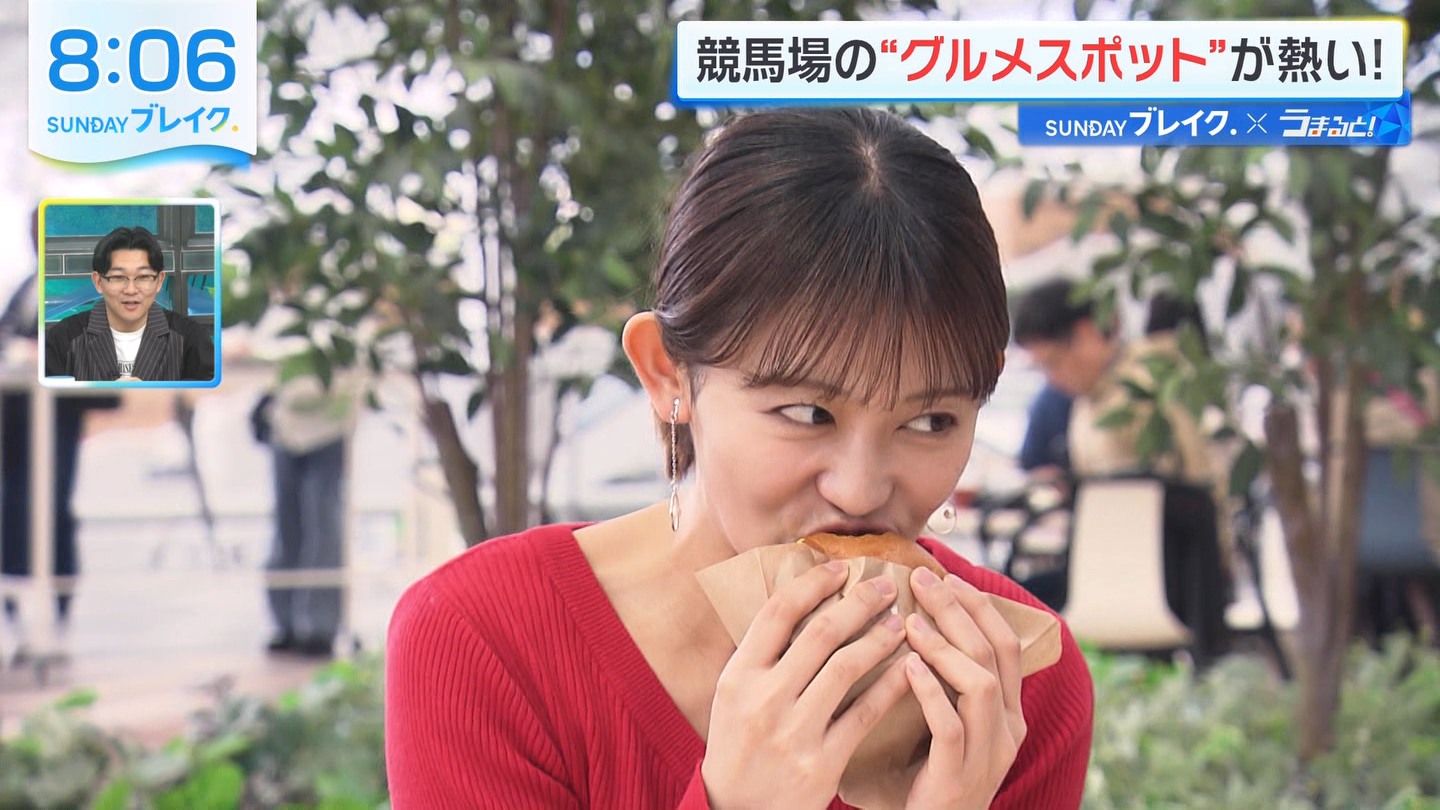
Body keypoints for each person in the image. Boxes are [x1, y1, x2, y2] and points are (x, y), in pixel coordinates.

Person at [385, 108, 1093, 809]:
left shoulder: (1017, 684)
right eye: (808, 414)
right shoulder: (483, 642)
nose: (859, 490)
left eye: (930, 421)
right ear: (667, 374)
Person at [1, 212, 120, 659]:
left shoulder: (83, 289)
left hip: (56, 419)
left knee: (51, 510)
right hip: (15, 421)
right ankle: (18, 614)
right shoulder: (25, 285)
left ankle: (56, 614)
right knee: (14, 513)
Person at [247, 300, 360, 659]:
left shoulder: (341, 306)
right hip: (286, 428)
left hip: (329, 427)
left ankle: (319, 627)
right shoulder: (277, 306)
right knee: (287, 526)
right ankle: (288, 624)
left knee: (323, 526)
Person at [44, 226, 214, 382]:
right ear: (98, 282)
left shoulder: (191, 339)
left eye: (143, 277)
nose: (131, 290)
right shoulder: (62, 338)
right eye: (118, 277)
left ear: (160, 281)